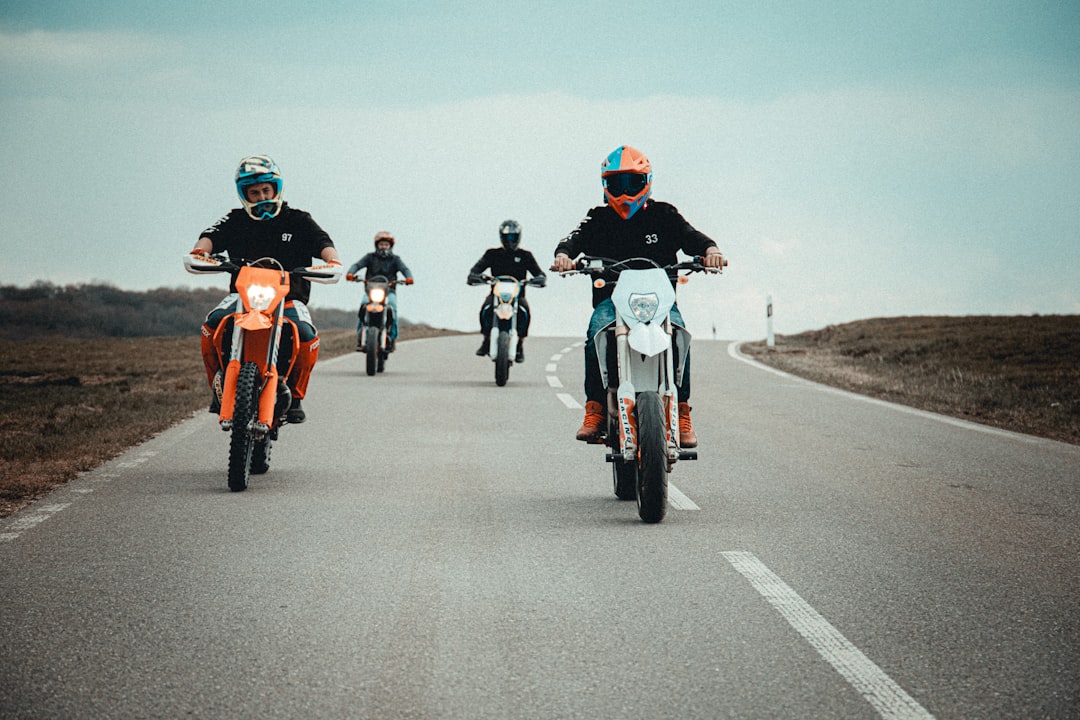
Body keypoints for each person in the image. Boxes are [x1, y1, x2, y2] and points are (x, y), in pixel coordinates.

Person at [552, 145, 725, 447]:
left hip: (660, 304)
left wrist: (710, 251)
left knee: (679, 335)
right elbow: (572, 240)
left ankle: (682, 410)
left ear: (647, 182)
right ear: (606, 186)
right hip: (612, 302)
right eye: (617, 184)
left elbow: (692, 236)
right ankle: (594, 408)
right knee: (596, 333)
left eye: (633, 182)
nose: (625, 191)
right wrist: (564, 256)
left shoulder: (664, 215)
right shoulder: (598, 218)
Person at [190, 154, 341, 424]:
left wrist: (332, 260)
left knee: (306, 336)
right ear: (244, 194)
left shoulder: (298, 220)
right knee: (211, 326)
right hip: (242, 297)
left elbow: (323, 242)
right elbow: (210, 236)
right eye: (254, 192)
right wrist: (201, 252)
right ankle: (218, 386)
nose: (262, 197)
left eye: (266, 190)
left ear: (276, 189)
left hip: (289, 298)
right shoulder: (235, 220)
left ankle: (295, 396)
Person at [467, 219, 546, 362]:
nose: (510, 241)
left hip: (517, 296)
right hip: (496, 295)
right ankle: (486, 339)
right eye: (507, 237)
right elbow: (476, 269)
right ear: (501, 237)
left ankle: (520, 343)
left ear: (518, 237)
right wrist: (476, 276)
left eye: (513, 237)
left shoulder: (525, 255)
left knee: (525, 311)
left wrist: (539, 279)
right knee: (485, 309)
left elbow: (539, 273)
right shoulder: (492, 254)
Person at [346, 232, 414, 351]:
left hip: (389, 292)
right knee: (363, 306)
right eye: (381, 244)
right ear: (377, 245)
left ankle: (392, 337)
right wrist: (351, 273)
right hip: (370, 292)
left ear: (390, 246)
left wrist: (409, 277)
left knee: (392, 307)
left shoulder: (395, 259)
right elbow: (357, 265)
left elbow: (404, 269)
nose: (383, 247)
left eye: (386, 245)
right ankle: (359, 337)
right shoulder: (369, 257)